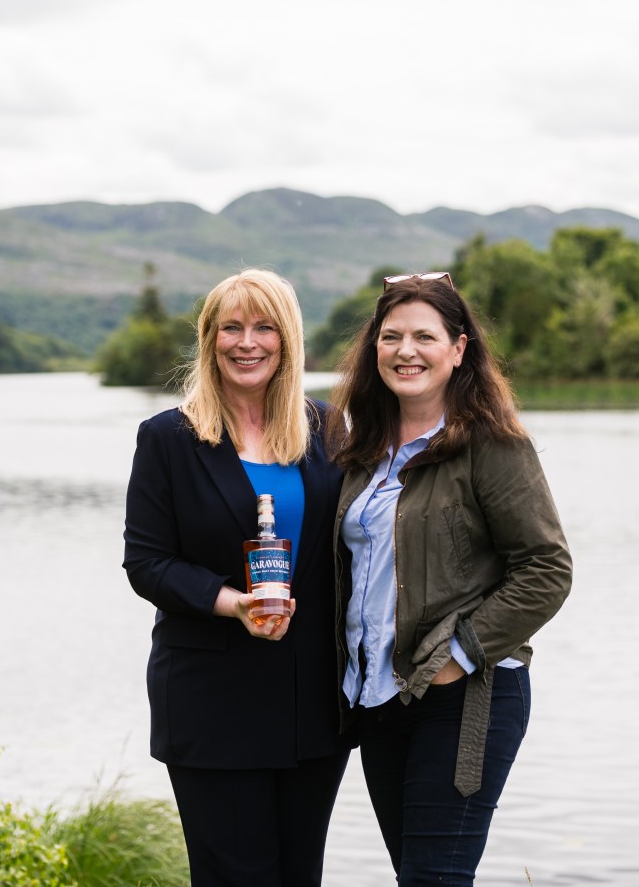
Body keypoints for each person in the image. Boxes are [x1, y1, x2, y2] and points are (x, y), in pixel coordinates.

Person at [326, 271, 573, 886]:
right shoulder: (363, 450)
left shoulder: (492, 444)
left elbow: (547, 568)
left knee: (434, 878)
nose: (405, 351)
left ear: (459, 349)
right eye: (391, 337)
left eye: (424, 337)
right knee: (416, 874)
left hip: (464, 695)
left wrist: (457, 655)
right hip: (378, 698)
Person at [123, 269, 352, 886]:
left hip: (313, 703)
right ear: (209, 339)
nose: (247, 343)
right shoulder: (167, 439)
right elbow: (146, 563)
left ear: (288, 339)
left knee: (300, 875)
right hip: (211, 701)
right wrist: (232, 603)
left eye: (264, 327)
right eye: (231, 328)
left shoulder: (329, 430)